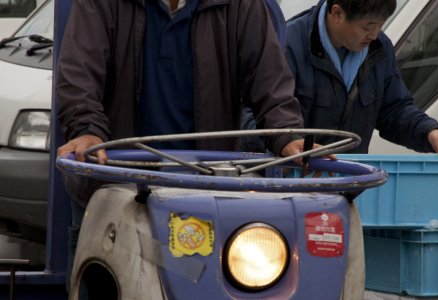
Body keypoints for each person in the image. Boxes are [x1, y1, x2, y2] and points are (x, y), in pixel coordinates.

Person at [55, 0, 309, 296]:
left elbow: (269, 80)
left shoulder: (242, 5)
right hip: (112, 187)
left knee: (197, 287)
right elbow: (78, 75)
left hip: (199, 195)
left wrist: (288, 135)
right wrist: (87, 130)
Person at [284, 1, 438, 299]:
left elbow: (395, 109)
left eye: (380, 25)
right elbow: (259, 112)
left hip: (349, 196)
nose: (374, 35)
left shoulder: (378, 48)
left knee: (349, 285)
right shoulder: (290, 43)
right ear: (337, 13)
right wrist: (290, 142)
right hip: (292, 194)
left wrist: (429, 131)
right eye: (367, 26)